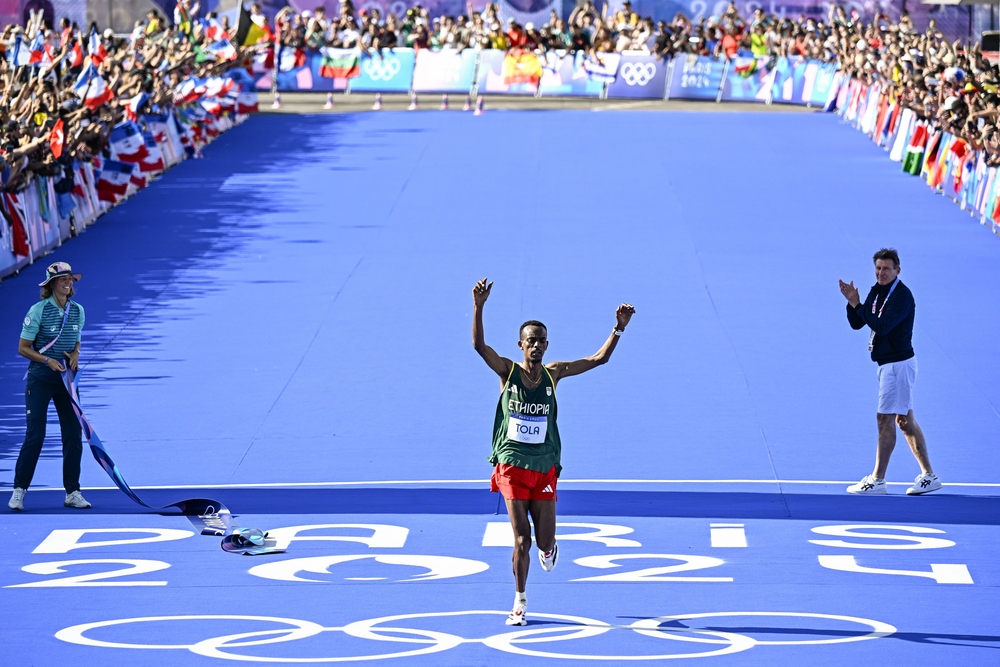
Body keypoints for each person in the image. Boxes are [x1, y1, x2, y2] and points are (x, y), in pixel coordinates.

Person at [472, 278, 635, 625]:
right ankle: (519, 601)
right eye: (530, 341)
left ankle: (550, 548)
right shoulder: (508, 371)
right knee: (521, 539)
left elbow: (598, 359)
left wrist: (617, 330)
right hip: (512, 465)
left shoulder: (554, 373)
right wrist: (479, 306)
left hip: (544, 466)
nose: (536, 346)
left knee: (544, 542)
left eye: (541, 341)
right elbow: (478, 346)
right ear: (520, 344)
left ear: (546, 345)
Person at [838, 249, 941, 496]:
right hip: (888, 365)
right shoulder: (876, 290)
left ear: (897, 270)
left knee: (885, 420)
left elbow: (882, 326)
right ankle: (929, 475)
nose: (881, 273)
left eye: (886, 269)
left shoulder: (902, 296)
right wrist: (853, 305)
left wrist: (858, 305)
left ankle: (878, 480)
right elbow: (858, 323)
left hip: (898, 365)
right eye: (878, 268)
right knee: (904, 422)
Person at [8, 262, 90, 511]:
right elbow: (23, 348)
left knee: (73, 435)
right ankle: (19, 491)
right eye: (63, 279)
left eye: (71, 279)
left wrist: (75, 354)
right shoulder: (38, 311)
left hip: (67, 381)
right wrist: (47, 360)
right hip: (41, 379)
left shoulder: (78, 311)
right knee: (35, 435)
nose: (68, 283)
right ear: (51, 284)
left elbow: (76, 342)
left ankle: (73, 492)